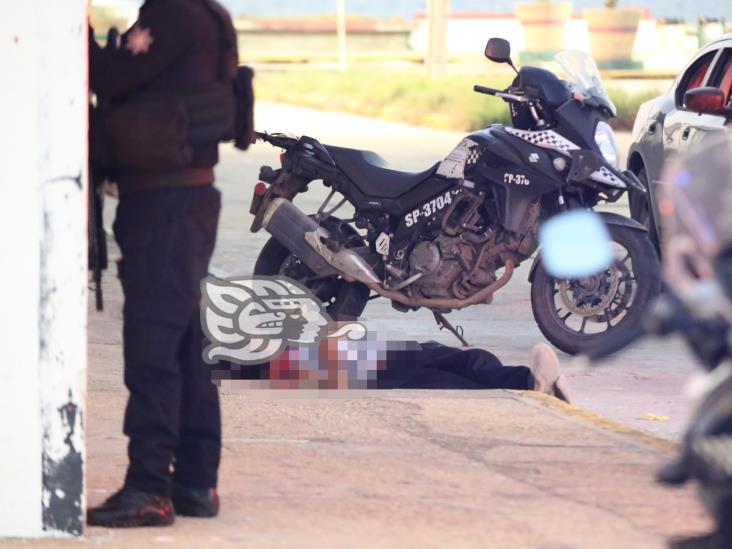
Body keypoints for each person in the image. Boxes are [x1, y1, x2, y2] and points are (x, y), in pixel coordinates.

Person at [87, 0, 238, 528]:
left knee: (153, 348)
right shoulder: (204, 12)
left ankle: (149, 487)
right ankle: (195, 481)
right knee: (185, 348)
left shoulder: (172, 13)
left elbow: (106, 73)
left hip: (165, 206)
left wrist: (75, 35)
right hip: (183, 200)